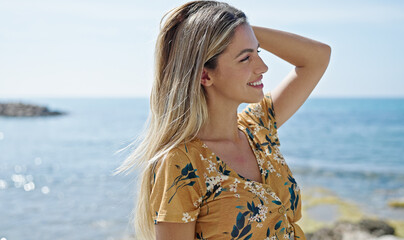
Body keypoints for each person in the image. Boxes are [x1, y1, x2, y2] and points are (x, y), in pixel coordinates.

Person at [118, 1, 331, 239]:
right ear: (205, 75)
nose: (263, 67)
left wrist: (238, 29)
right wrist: (214, 35)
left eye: (257, 52)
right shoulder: (182, 163)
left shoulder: (258, 127)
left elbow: (318, 57)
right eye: (245, 58)